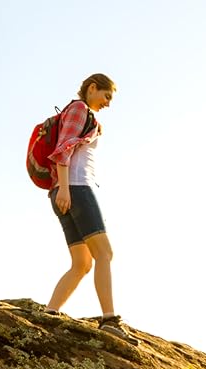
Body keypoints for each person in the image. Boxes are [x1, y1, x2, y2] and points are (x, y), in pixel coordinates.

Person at [43, 74, 132, 342]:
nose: (108, 103)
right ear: (92, 88)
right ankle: (108, 319)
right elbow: (63, 149)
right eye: (106, 96)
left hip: (65, 190)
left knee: (82, 263)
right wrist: (67, 188)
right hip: (76, 189)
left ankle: (50, 312)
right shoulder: (79, 109)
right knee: (104, 253)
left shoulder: (86, 115)